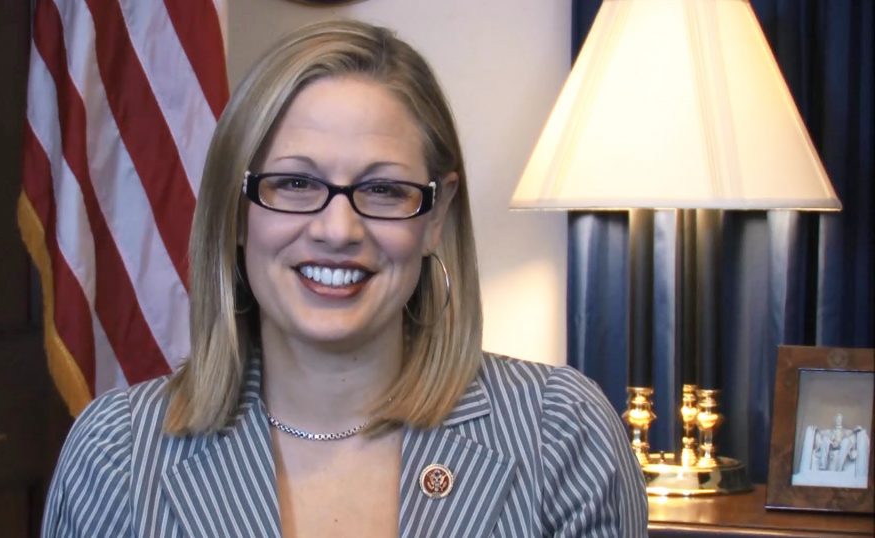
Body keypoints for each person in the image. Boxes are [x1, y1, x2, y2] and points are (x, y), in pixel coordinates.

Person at [42, 19, 648, 537]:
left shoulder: (558, 433)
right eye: (295, 183)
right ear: (235, 210)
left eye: (382, 189)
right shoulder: (119, 453)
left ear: (435, 216)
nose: (338, 229)